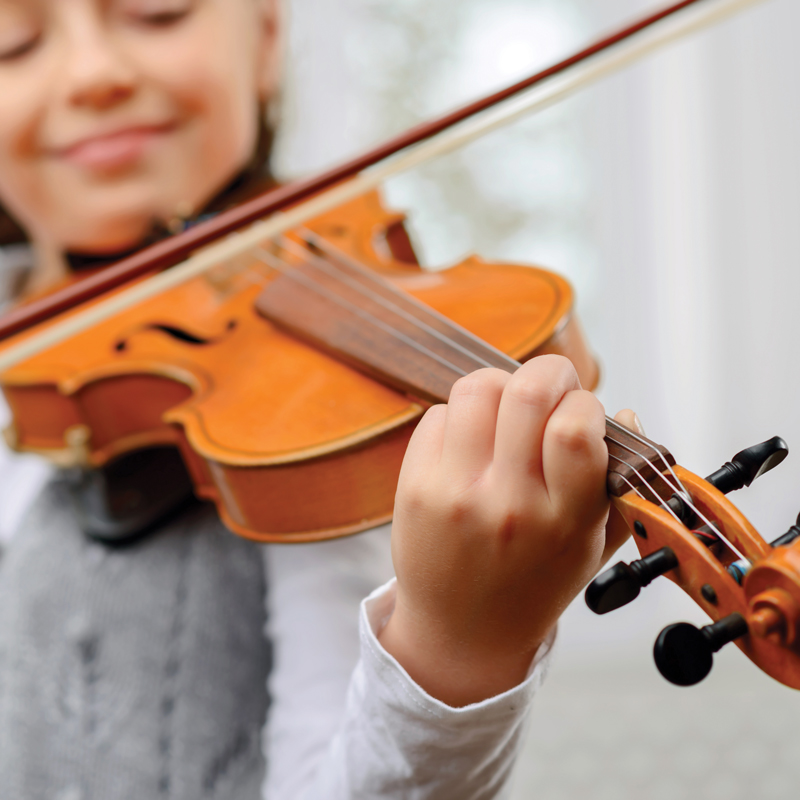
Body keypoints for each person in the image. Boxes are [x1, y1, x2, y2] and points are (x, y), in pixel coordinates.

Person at [0, 0, 638, 797]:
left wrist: (454, 651)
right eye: (13, 44)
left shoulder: (307, 406)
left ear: (266, 38)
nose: (94, 74)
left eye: (155, 12)